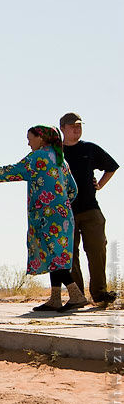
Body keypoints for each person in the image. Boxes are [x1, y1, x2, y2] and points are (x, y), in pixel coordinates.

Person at [0, 125, 86, 312]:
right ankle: (55, 299)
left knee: (54, 257)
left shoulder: (37, 157)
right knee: (55, 255)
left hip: (45, 217)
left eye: (29, 138)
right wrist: (61, 203)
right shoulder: (61, 160)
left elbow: (15, 170)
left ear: (40, 138)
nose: (28, 142)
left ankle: (76, 295)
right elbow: (73, 190)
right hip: (63, 215)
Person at [60, 112, 119, 306]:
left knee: (96, 250)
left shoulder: (89, 148)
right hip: (65, 212)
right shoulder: (55, 153)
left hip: (90, 209)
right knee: (69, 254)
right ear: (63, 129)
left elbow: (111, 167)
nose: (76, 129)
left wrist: (100, 185)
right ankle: (77, 296)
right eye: (72, 126)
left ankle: (100, 295)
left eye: (79, 126)